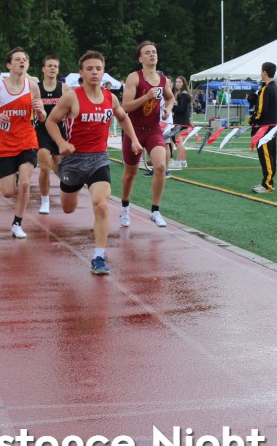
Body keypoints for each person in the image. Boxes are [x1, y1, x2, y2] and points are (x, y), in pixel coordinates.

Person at [45, 50, 141, 275]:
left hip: (99, 159)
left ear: (103, 71)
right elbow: (51, 121)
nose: (95, 72)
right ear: (81, 72)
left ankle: (98, 256)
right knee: (68, 208)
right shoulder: (71, 97)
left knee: (101, 203)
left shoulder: (110, 98)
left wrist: (135, 140)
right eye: (89, 69)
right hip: (73, 160)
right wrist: (61, 143)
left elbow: (123, 117)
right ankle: (69, 187)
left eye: (98, 68)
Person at [0, 47, 45, 238]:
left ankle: (17, 223)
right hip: (5, 142)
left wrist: (40, 110)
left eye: (24, 59)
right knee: (8, 192)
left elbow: (42, 117)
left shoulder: (32, 87)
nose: (22, 61)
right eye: (17, 59)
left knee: (25, 184)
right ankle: (3, 170)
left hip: (27, 139)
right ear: (9, 65)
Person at [119, 41, 174, 228]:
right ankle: (125, 207)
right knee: (130, 173)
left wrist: (167, 109)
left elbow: (170, 98)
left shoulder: (163, 80)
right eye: (148, 52)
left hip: (153, 130)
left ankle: (155, 211)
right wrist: (146, 97)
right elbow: (125, 107)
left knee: (160, 166)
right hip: (133, 130)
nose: (152, 55)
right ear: (140, 58)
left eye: (154, 52)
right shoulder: (134, 77)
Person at [35, 55, 70, 215]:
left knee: (59, 169)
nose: (53, 68)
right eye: (49, 66)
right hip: (41, 131)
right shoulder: (36, 88)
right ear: (43, 69)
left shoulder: (64, 89)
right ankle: (45, 201)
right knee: (44, 167)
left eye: (55, 66)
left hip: (59, 132)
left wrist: (68, 116)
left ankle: (67, 191)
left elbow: (72, 108)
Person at [251, 62, 277, 193]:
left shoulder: (266, 89)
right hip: (272, 126)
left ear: (265, 73)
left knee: (266, 156)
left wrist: (252, 119)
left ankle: (267, 184)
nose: (260, 73)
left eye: (261, 71)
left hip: (265, 128)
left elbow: (260, 110)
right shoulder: (275, 87)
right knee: (271, 155)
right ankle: (267, 181)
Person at [170, 75, 192, 169]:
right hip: (181, 120)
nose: (177, 83)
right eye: (176, 82)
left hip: (181, 121)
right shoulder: (180, 94)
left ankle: (178, 161)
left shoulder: (183, 95)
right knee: (179, 140)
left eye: (179, 82)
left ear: (184, 83)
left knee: (178, 140)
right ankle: (183, 161)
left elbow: (181, 109)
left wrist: (171, 106)